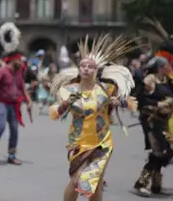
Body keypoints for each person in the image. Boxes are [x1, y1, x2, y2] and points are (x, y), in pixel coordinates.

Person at [48, 35, 137, 201]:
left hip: (102, 142)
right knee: (76, 181)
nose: (86, 69)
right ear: (79, 69)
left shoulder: (106, 89)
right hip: (78, 142)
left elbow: (130, 103)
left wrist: (120, 101)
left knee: (94, 182)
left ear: (96, 70)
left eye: (90, 66)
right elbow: (56, 113)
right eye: (83, 66)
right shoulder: (68, 90)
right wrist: (65, 104)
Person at [0, 22, 31, 165]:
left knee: (14, 130)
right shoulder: (1, 72)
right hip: (1, 103)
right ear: (12, 60)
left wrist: (28, 101)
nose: (21, 62)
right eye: (19, 60)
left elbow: (22, 87)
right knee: (0, 127)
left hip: (14, 104)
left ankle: (12, 155)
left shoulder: (18, 72)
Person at [134, 56, 173, 197]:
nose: (168, 68)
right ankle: (141, 183)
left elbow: (172, 96)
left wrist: (172, 101)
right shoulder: (150, 79)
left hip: (163, 120)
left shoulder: (166, 80)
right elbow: (142, 100)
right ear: (160, 67)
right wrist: (159, 104)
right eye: (166, 65)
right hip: (151, 120)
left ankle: (156, 185)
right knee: (158, 151)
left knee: (167, 151)